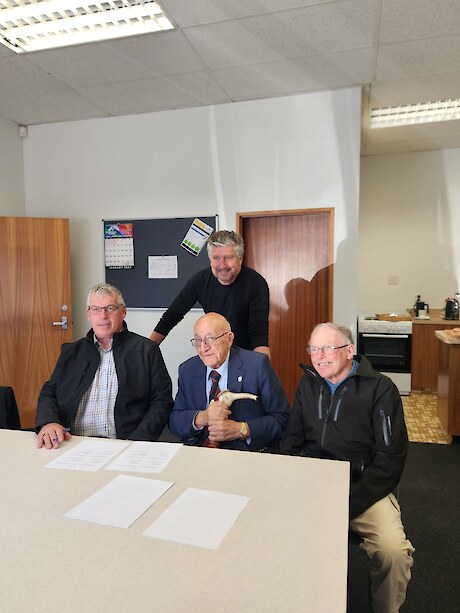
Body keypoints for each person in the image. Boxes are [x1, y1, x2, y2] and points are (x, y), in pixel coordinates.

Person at [280, 322, 414, 613]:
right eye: (314, 349)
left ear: (349, 350)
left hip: (363, 488)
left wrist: (347, 503)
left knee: (393, 553)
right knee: (273, 533)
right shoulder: (309, 383)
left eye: (327, 347)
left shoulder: (381, 389)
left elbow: (390, 459)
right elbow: (291, 441)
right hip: (314, 484)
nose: (319, 356)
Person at [35, 283, 173, 449]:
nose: (103, 316)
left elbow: (162, 401)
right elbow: (49, 391)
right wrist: (48, 422)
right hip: (72, 441)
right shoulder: (71, 352)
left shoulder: (146, 350)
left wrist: (137, 441)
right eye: (96, 309)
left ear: (123, 311)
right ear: (88, 314)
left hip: (125, 443)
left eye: (109, 308)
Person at [169, 312, 289, 451]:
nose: (203, 348)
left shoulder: (257, 365)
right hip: (200, 454)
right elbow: (175, 420)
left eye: (210, 339)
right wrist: (202, 417)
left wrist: (242, 429)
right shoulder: (188, 370)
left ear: (229, 339)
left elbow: (282, 419)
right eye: (198, 340)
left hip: (245, 455)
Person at [150, 230, 270, 356]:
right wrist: (147, 351)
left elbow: (259, 334)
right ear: (210, 259)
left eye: (228, 258)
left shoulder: (256, 283)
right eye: (216, 258)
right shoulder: (200, 281)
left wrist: (264, 370)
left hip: (246, 355)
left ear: (239, 259)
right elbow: (171, 317)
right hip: (213, 353)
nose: (222, 265)